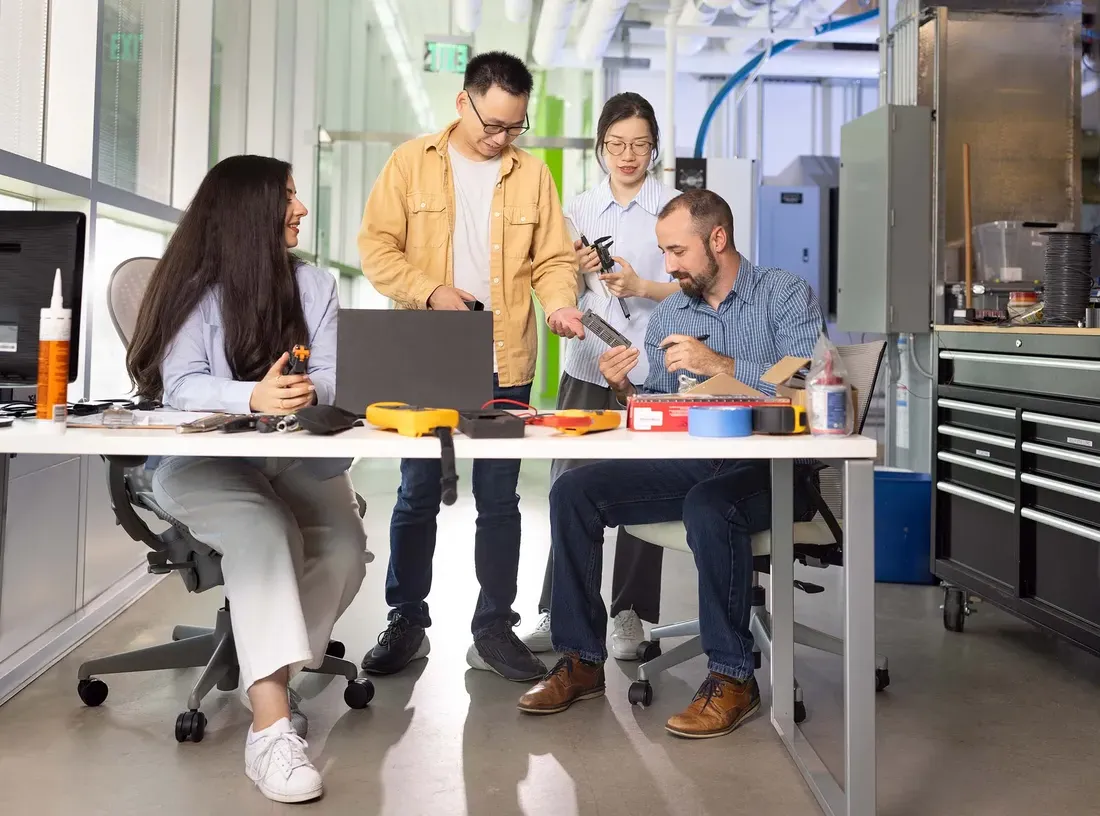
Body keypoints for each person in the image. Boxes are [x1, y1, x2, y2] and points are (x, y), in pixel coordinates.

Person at [517, 189, 824, 740]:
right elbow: (658, 410)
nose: (669, 266)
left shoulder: (784, 294)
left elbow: (805, 389)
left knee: (709, 505)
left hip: (776, 472)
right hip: (696, 463)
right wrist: (624, 388)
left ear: (718, 239)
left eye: (678, 252)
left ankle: (734, 677)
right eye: (665, 252)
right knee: (573, 491)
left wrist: (718, 364)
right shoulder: (671, 315)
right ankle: (582, 661)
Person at [127, 155, 370, 804]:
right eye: (289, 196)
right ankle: (271, 728)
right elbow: (181, 386)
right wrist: (252, 396)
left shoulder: (313, 285)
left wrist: (303, 388)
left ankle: (268, 669)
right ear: (250, 212)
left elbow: (338, 378)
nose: (302, 208)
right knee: (266, 531)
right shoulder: (196, 288)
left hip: (292, 459)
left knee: (345, 552)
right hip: (203, 464)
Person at [357, 51, 584, 683]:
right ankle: (406, 620)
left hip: (506, 359)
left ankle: (493, 627)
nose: (501, 139)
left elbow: (553, 260)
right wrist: (431, 291)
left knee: (499, 497)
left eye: (515, 128)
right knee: (415, 493)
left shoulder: (532, 175)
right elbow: (376, 247)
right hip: (427, 351)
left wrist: (561, 303)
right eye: (493, 125)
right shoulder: (410, 163)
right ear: (464, 102)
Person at [519, 92, 680, 661]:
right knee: (568, 489)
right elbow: (553, 281)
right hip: (588, 365)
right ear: (600, 148)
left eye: (639, 144)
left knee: (645, 489)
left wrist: (644, 287)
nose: (628, 155)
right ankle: (559, 605)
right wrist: (576, 274)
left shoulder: (675, 209)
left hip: (652, 369)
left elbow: (699, 287)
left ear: (654, 148)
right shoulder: (579, 210)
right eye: (616, 145)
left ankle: (630, 613)